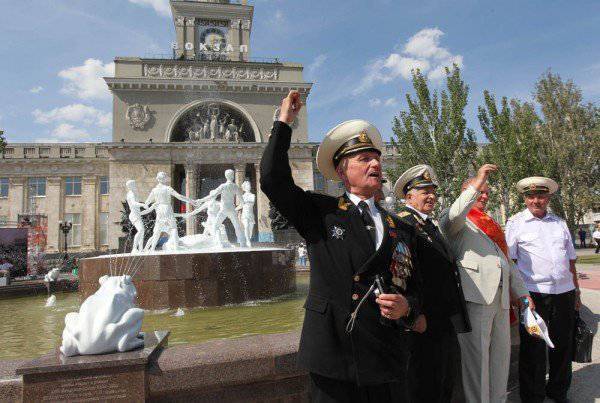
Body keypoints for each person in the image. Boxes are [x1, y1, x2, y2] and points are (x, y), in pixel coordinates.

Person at [260, 91, 422, 402]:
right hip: (334, 354)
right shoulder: (321, 212)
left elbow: (414, 286)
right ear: (341, 172)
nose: (374, 163)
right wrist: (284, 124)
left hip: (383, 354)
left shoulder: (400, 227)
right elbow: (272, 179)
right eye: (364, 159)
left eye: (376, 157)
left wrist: (407, 307)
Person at [439, 164, 532, 403]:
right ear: (465, 193)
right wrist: (478, 180)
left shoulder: (490, 224)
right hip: (476, 299)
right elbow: (453, 215)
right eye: (479, 191)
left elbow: (507, 262)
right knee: (477, 364)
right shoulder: (456, 221)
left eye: (486, 192)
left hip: (500, 300)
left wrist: (521, 293)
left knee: (500, 361)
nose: (484, 195)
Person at [394, 164, 470, 402]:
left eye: (433, 191)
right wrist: (413, 314)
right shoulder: (403, 223)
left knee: (443, 380)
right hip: (423, 320)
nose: (431, 196)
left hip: (441, 317)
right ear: (409, 196)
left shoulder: (427, 224)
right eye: (424, 191)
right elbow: (400, 275)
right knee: (425, 383)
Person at [506, 176, 581, 403]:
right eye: (531, 196)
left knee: (563, 346)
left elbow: (570, 261)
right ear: (525, 199)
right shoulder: (515, 223)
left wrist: (577, 292)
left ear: (548, 197)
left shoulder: (559, 223)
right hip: (533, 294)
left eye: (540, 196)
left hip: (564, 293)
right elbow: (510, 263)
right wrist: (516, 295)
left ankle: (558, 391)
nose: (536, 201)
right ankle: (533, 397)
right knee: (533, 350)